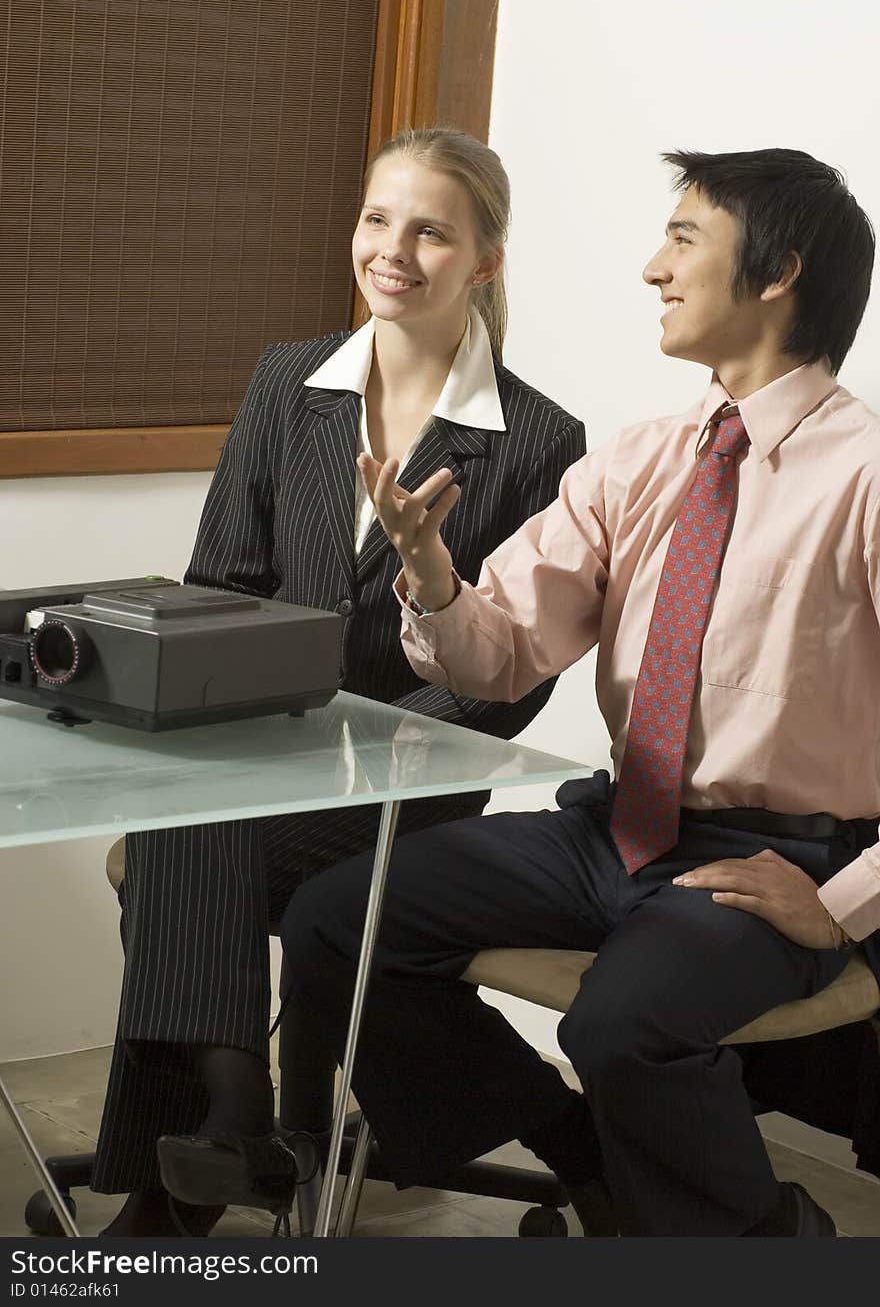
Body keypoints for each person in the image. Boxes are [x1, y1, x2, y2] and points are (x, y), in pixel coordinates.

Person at [282, 148, 880, 1237]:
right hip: (615, 827)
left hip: (779, 855)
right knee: (335, 921)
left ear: (780, 267)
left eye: (684, 239)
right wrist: (431, 578)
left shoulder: (867, 474)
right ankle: (590, 1164)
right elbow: (498, 652)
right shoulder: (641, 461)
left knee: (623, 1025)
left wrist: (839, 903)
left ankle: (769, 1240)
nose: (653, 267)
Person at [90, 127, 586, 1236]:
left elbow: (513, 674)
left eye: (429, 230)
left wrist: (362, 749)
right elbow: (215, 586)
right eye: (377, 219)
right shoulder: (287, 381)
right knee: (194, 806)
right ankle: (239, 1115)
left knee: (187, 828)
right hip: (267, 754)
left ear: (483, 261)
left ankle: (189, 1177)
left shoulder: (542, 439)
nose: (393, 249)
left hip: (416, 776)